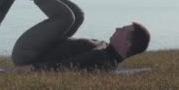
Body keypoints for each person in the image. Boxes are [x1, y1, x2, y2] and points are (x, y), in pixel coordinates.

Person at [11, 22, 150, 72]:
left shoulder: (102, 57)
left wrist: (25, 69)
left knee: (68, 16)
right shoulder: (107, 50)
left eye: (123, 30)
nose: (117, 28)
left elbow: (63, 67)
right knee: (75, 16)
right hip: (40, 47)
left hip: (30, 53)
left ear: (126, 44)